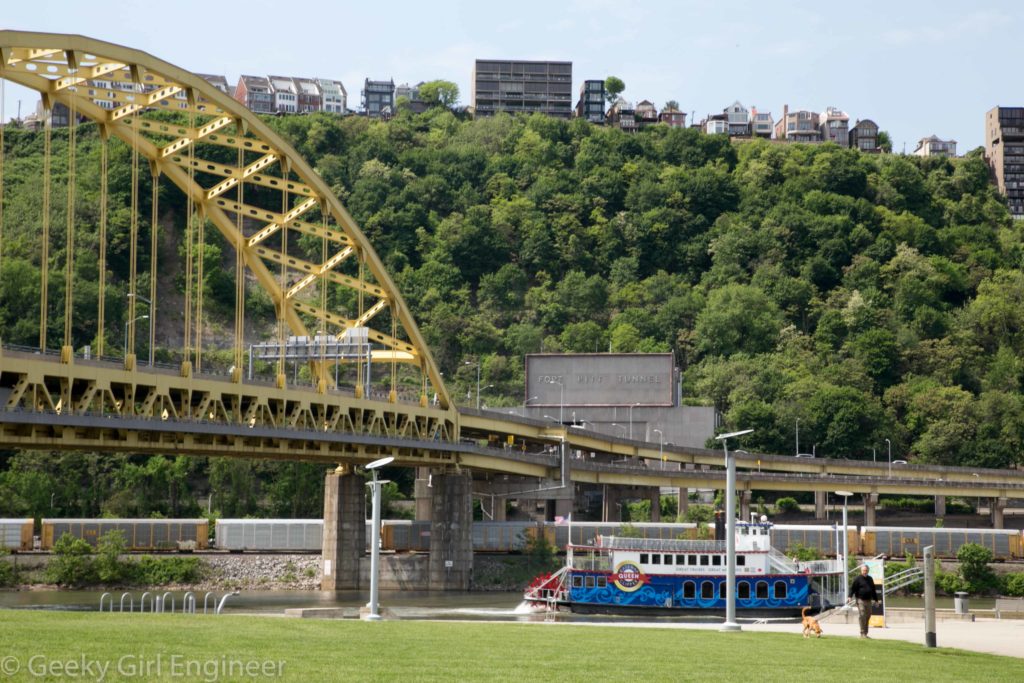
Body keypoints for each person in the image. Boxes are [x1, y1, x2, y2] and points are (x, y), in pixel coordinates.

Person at [848, 564, 879, 638]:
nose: (865, 572)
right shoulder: (857, 579)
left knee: (868, 616)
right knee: (862, 615)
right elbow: (852, 588)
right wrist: (849, 596)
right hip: (860, 600)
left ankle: (865, 633)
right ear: (861, 571)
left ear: (868, 571)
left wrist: (876, 600)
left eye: (866, 570)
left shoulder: (870, 579)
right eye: (863, 570)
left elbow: (873, 590)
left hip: (868, 600)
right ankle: (862, 633)